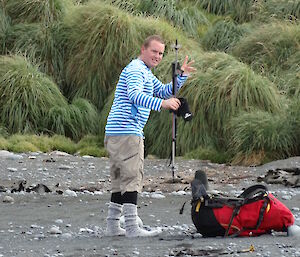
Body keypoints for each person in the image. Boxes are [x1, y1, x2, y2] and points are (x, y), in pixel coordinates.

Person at [104, 35, 196, 238]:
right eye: (154, 51)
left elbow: (164, 91)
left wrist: (180, 76)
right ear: (143, 49)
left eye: (161, 53)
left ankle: (112, 226)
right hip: (127, 131)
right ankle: (131, 228)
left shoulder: (143, 70)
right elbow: (135, 96)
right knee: (132, 178)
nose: (158, 56)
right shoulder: (137, 70)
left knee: (120, 180)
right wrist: (163, 105)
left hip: (116, 132)